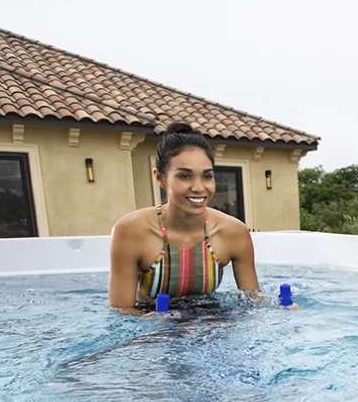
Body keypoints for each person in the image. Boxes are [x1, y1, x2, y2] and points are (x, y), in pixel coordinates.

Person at [108, 122, 266, 314]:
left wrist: (283, 309)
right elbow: (121, 308)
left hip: (210, 322)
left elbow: (253, 301)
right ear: (160, 178)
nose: (199, 187)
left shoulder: (233, 232)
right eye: (185, 176)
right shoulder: (131, 231)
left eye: (207, 176)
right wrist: (154, 327)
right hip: (153, 328)